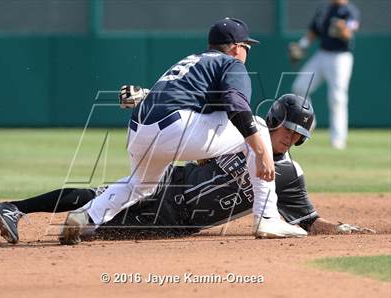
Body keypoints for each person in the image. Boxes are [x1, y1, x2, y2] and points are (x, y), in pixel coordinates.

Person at [0, 93, 374, 245]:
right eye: (289, 129)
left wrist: (343, 230)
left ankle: (42, 219)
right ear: (274, 120)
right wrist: (146, 97)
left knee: (94, 231)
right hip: (169, 189)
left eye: (299, 134)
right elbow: (200, 110)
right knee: (96, 200)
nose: (292, 137)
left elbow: (307, 219)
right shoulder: (242, 130)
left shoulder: (290, 174)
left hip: (180, 224)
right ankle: (15, 207)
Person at [56, 17, 307, 244]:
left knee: (141, 185)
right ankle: (267, 218)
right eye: (246, 47)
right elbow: (236, 103)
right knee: (259, 127)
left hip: (139, 129)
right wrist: (260, 150)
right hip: (175, 129)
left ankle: (87, 217)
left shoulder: (192, 61)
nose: (246, 52)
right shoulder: (231, 64)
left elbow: (198, 102)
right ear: (235, 47)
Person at [288, 0, 360, 149]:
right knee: (300, 87)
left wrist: (343, 29)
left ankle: (338, 139)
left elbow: (349, 34)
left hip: (340, 57)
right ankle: (309, 122)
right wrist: (302, 45)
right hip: (322, 54)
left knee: (337, 98)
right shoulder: (324, 9)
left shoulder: (350, 11)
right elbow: (313, 31)